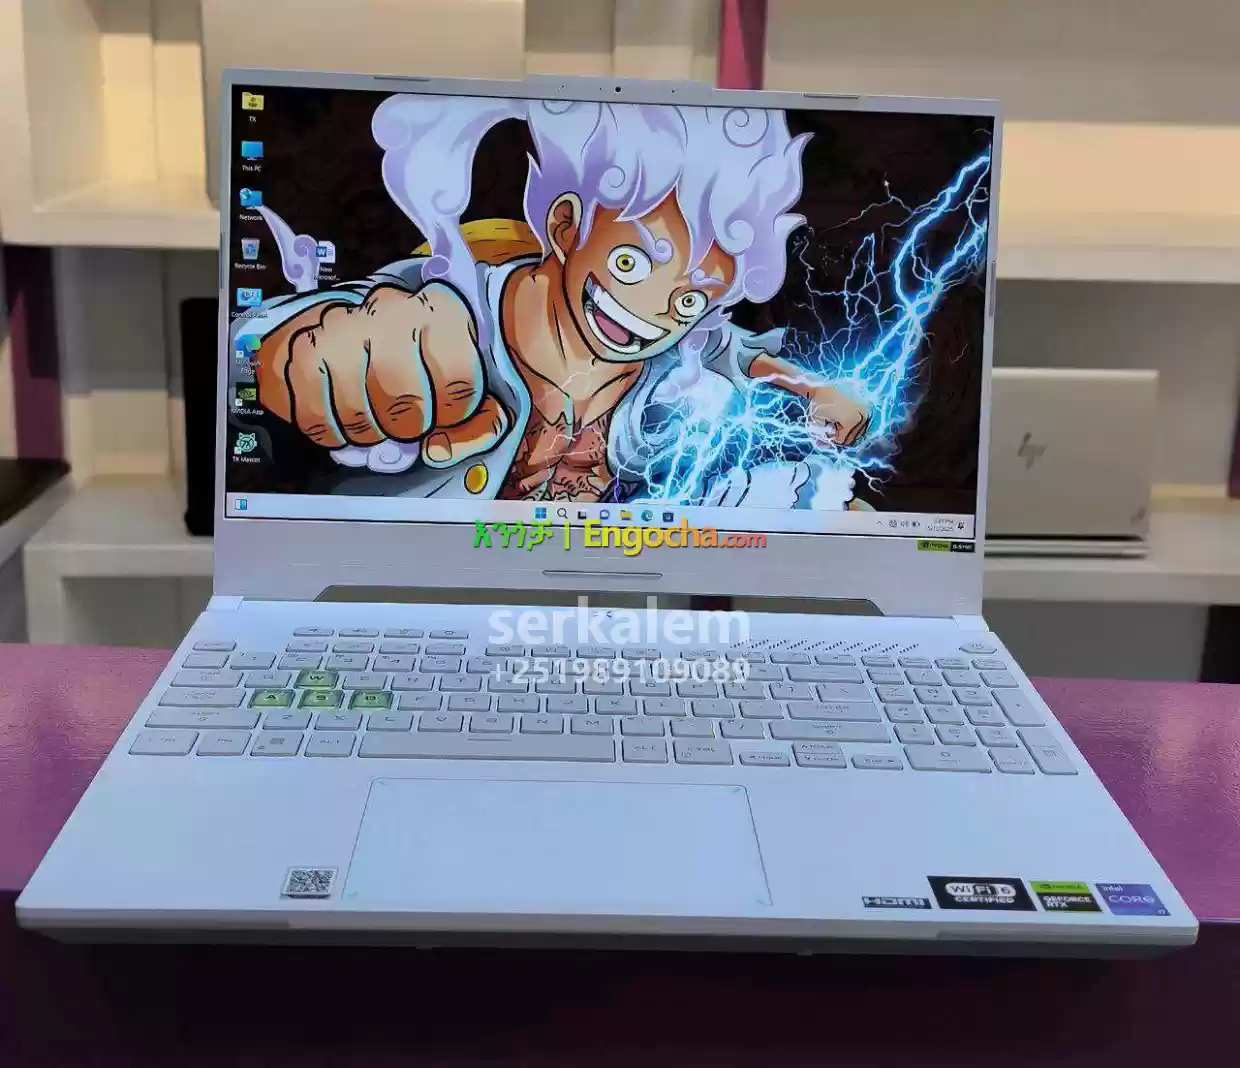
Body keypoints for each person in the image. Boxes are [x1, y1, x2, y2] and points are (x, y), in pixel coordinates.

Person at [239, 96, 871, 506]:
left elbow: (733, 351)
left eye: (688, 300)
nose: (655, 315)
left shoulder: (680, 352)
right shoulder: (448, 304)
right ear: (567, 226)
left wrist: (815, 390)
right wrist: (301, 352)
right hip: (419, 600)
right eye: (630, 264)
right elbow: (264, 341)